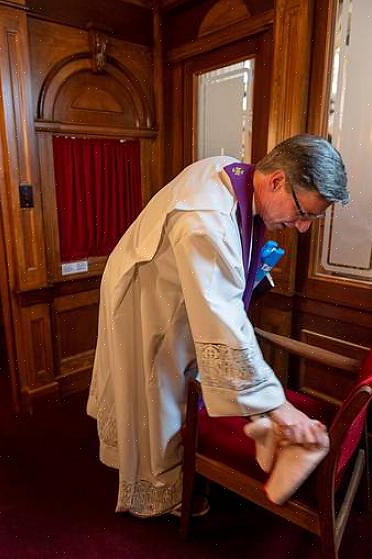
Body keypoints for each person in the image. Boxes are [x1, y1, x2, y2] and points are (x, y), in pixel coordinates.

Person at [86, 134, 349, 518]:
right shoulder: (205, 219)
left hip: (166, 283)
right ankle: (162, 493)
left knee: (175, 383)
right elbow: (223, 317)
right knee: (156, 392)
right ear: (276, 180)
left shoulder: (235, 174)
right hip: (149, 299)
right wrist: (277, 407)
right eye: (303, 213)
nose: (303, 226)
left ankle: (192, 456)